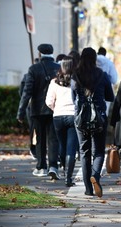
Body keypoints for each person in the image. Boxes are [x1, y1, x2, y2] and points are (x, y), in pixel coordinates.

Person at [71, 47, 115, 197]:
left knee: (84, 153)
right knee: (99, 152)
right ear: (95, 59)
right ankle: (95, 176)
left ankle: (88, 189)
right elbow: (110, 97)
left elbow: (73, 97)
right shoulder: (102, 75)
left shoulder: (75, 75)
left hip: (81, 118)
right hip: (99, 118)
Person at [17, 44, 60, 179]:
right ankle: (54, 166)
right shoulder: (59, 68)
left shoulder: (33, 69)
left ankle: (41, 167)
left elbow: (27, 92)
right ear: (52, 53)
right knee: (53, 139)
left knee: (40, 139)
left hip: (37, 110)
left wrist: (21, 112)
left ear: (39, 54)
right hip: (55, 109)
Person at [45, 56, 79, 186]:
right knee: (71, 148)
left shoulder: (54, 82)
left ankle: (64, 169)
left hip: (58, 117)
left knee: (62, 145)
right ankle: (68, 178)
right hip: (73, 116)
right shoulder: (76, 80)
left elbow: (48, 101)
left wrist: (55, 109)